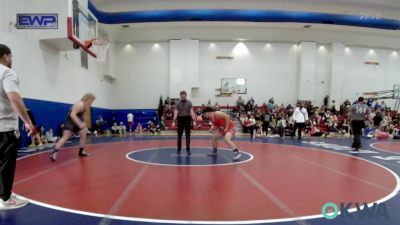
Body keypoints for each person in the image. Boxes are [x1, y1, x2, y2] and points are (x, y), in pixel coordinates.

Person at [0, 44, 34, 209]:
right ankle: (5, 199)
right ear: (5, 56)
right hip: (5, 127)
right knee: (6, 164)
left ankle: (3, 193)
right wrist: (27, 122)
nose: (11, 60)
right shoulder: (6, 72)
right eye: (11, 56)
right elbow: (14, 99)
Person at [50, 93, 95, 161]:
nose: (92, 102)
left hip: (75, 121)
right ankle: (54, 152)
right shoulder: (80, 104)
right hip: (70, 121)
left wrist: (85, 122)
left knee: (83, 133)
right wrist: (80, 124)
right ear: (87, 99)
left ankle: (81, 151)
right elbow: (72, 115)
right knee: (65, 137)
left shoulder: (85, 106)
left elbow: (83, 115)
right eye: (91, 100)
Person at [172, 91, 196, 156]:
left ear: (186, 96)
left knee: (188, 136)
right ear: (180, 96)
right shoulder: (177, 103)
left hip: (187, 119)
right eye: (181, 97)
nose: (183, 98)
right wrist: (174, 121)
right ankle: (179, 149)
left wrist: (194, 120)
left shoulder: (189, 103)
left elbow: (192, 112)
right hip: (180, 119)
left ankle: (188, 149)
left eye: (184, 96)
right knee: (179, 136)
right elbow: (176, 113)